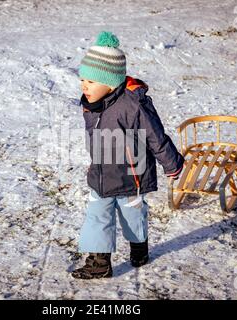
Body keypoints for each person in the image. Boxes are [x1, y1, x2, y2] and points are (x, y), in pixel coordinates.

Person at [71, 31, 184, 279]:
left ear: (110, 83)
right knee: (96, 215)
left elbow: (155, 136)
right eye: (82, 80)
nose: (84, 86)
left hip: (131, 176)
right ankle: (99, 262)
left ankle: (139, 246)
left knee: (132, 215)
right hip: (102, 175)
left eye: (90, 82)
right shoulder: (91, 104)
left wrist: (172, 163)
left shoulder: (134, 105)